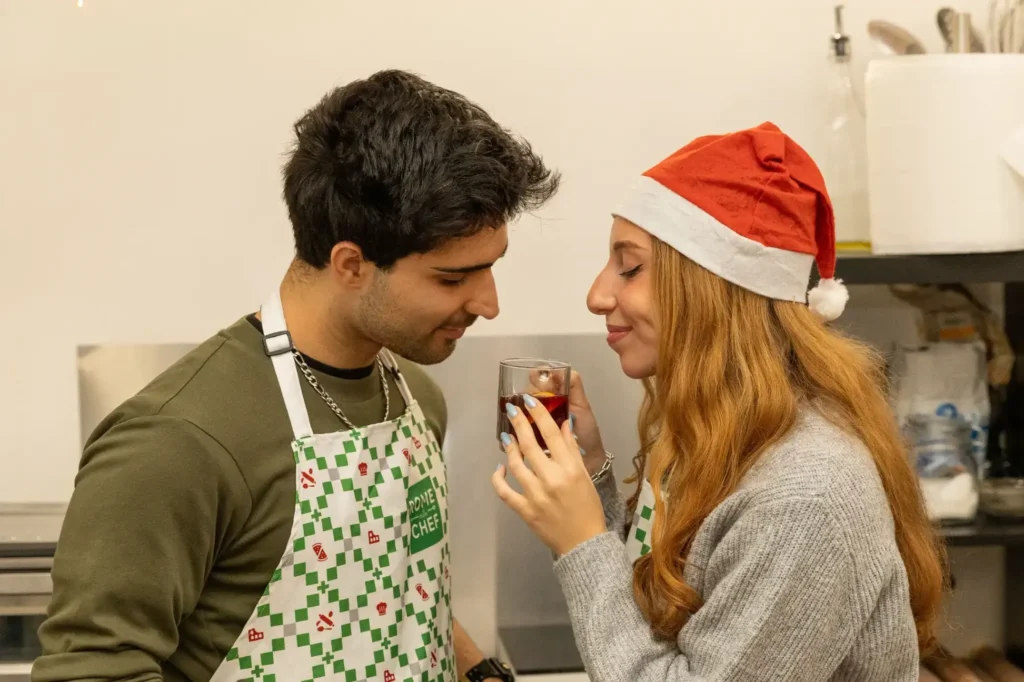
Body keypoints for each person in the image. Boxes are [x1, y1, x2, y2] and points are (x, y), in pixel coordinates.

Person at [33, 70, 558, 682]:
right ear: (351, 264)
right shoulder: (178, 440)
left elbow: (400, 601)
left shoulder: (417, 400)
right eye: (452, 278)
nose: (489, 304)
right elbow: (90, 670)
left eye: (490, 269)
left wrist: (479, 673)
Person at [492, 122, 947, 681]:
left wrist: (582, 542)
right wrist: (593, 478)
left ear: (711, 288)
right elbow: (658, 619)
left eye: (629, 267)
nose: (597, 294)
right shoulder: (716, 431)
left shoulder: (806, 494)